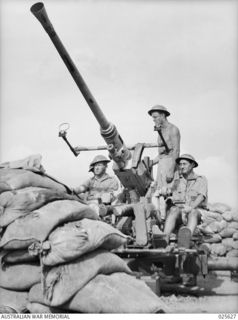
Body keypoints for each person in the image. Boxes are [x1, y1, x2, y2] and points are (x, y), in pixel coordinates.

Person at [163, 154, 208, 248]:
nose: (181, 166)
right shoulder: (177, 181)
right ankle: (164, 240)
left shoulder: (201, 179)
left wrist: (190, 208)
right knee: (173, 210)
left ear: (192, 165)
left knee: (193, 212)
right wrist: (165, 192)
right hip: (181, 213)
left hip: (196, 212)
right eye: (180, 164)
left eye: (184, 164)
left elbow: (201, 196)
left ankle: (186, 240)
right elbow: (169, 193)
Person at [148, 105, 181, 221]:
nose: (154, 119)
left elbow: (175, 151)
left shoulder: (173, 129)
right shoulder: (160, 131)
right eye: (153, 118)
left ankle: (168, 220)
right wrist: (151, 163)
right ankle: (160, 219)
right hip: (162, 164)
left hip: (170, 163)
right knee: (158, 194)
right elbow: (162, 154)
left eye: (156, 117)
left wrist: (171, 170)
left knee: (167, 194)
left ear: (163, 115)